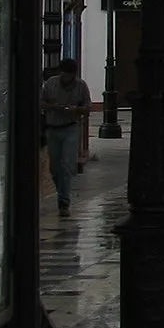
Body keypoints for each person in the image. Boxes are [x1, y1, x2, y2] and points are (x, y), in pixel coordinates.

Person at [41, 58, 92, 217]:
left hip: (71, 127)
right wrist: (54, 107)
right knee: (55, 167)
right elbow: (41, 102)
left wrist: (76, 109)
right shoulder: (51, 83)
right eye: (63, 73)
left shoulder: (81, 86)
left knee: (66, 164)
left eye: (68, 75)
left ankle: (64, 200)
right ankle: (61, 191)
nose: (65, 77)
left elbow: (88, 107)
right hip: (53, 128)